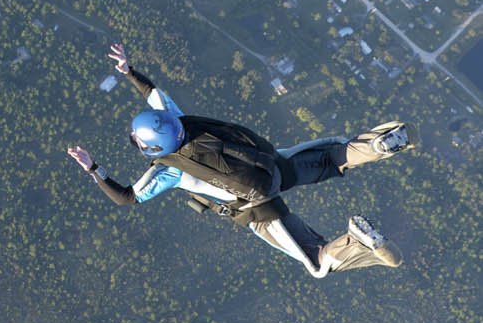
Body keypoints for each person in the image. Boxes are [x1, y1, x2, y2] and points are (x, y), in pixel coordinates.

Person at [66, 43, 408, 277]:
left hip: (257, 207)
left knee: (316, 262)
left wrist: (93, 169)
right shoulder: (179, 120)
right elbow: (152, 93)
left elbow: (126, 197)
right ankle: (376, 146)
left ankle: (358, 242)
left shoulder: (168, 170)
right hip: (272, 164)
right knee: (331, 158)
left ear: (154, 150)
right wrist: (128, 70)